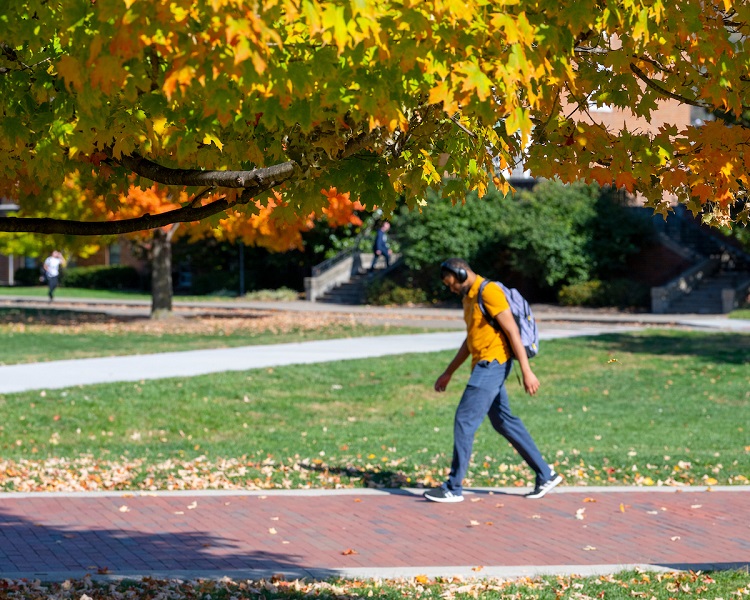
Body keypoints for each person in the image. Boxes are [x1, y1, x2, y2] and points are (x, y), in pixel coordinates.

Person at [424, 258, 562, 503]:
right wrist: (449, 372)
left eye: (452, 283)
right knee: (503, 421)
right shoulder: (469, 298)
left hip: (493, 363)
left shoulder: (489, 292)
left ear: (461, 273)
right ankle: (546, 474)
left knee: (465, 420)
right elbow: (470, 341)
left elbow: (512, 332)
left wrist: (527, 371)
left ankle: (453, 487)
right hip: (483, 364)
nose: (451, 288)